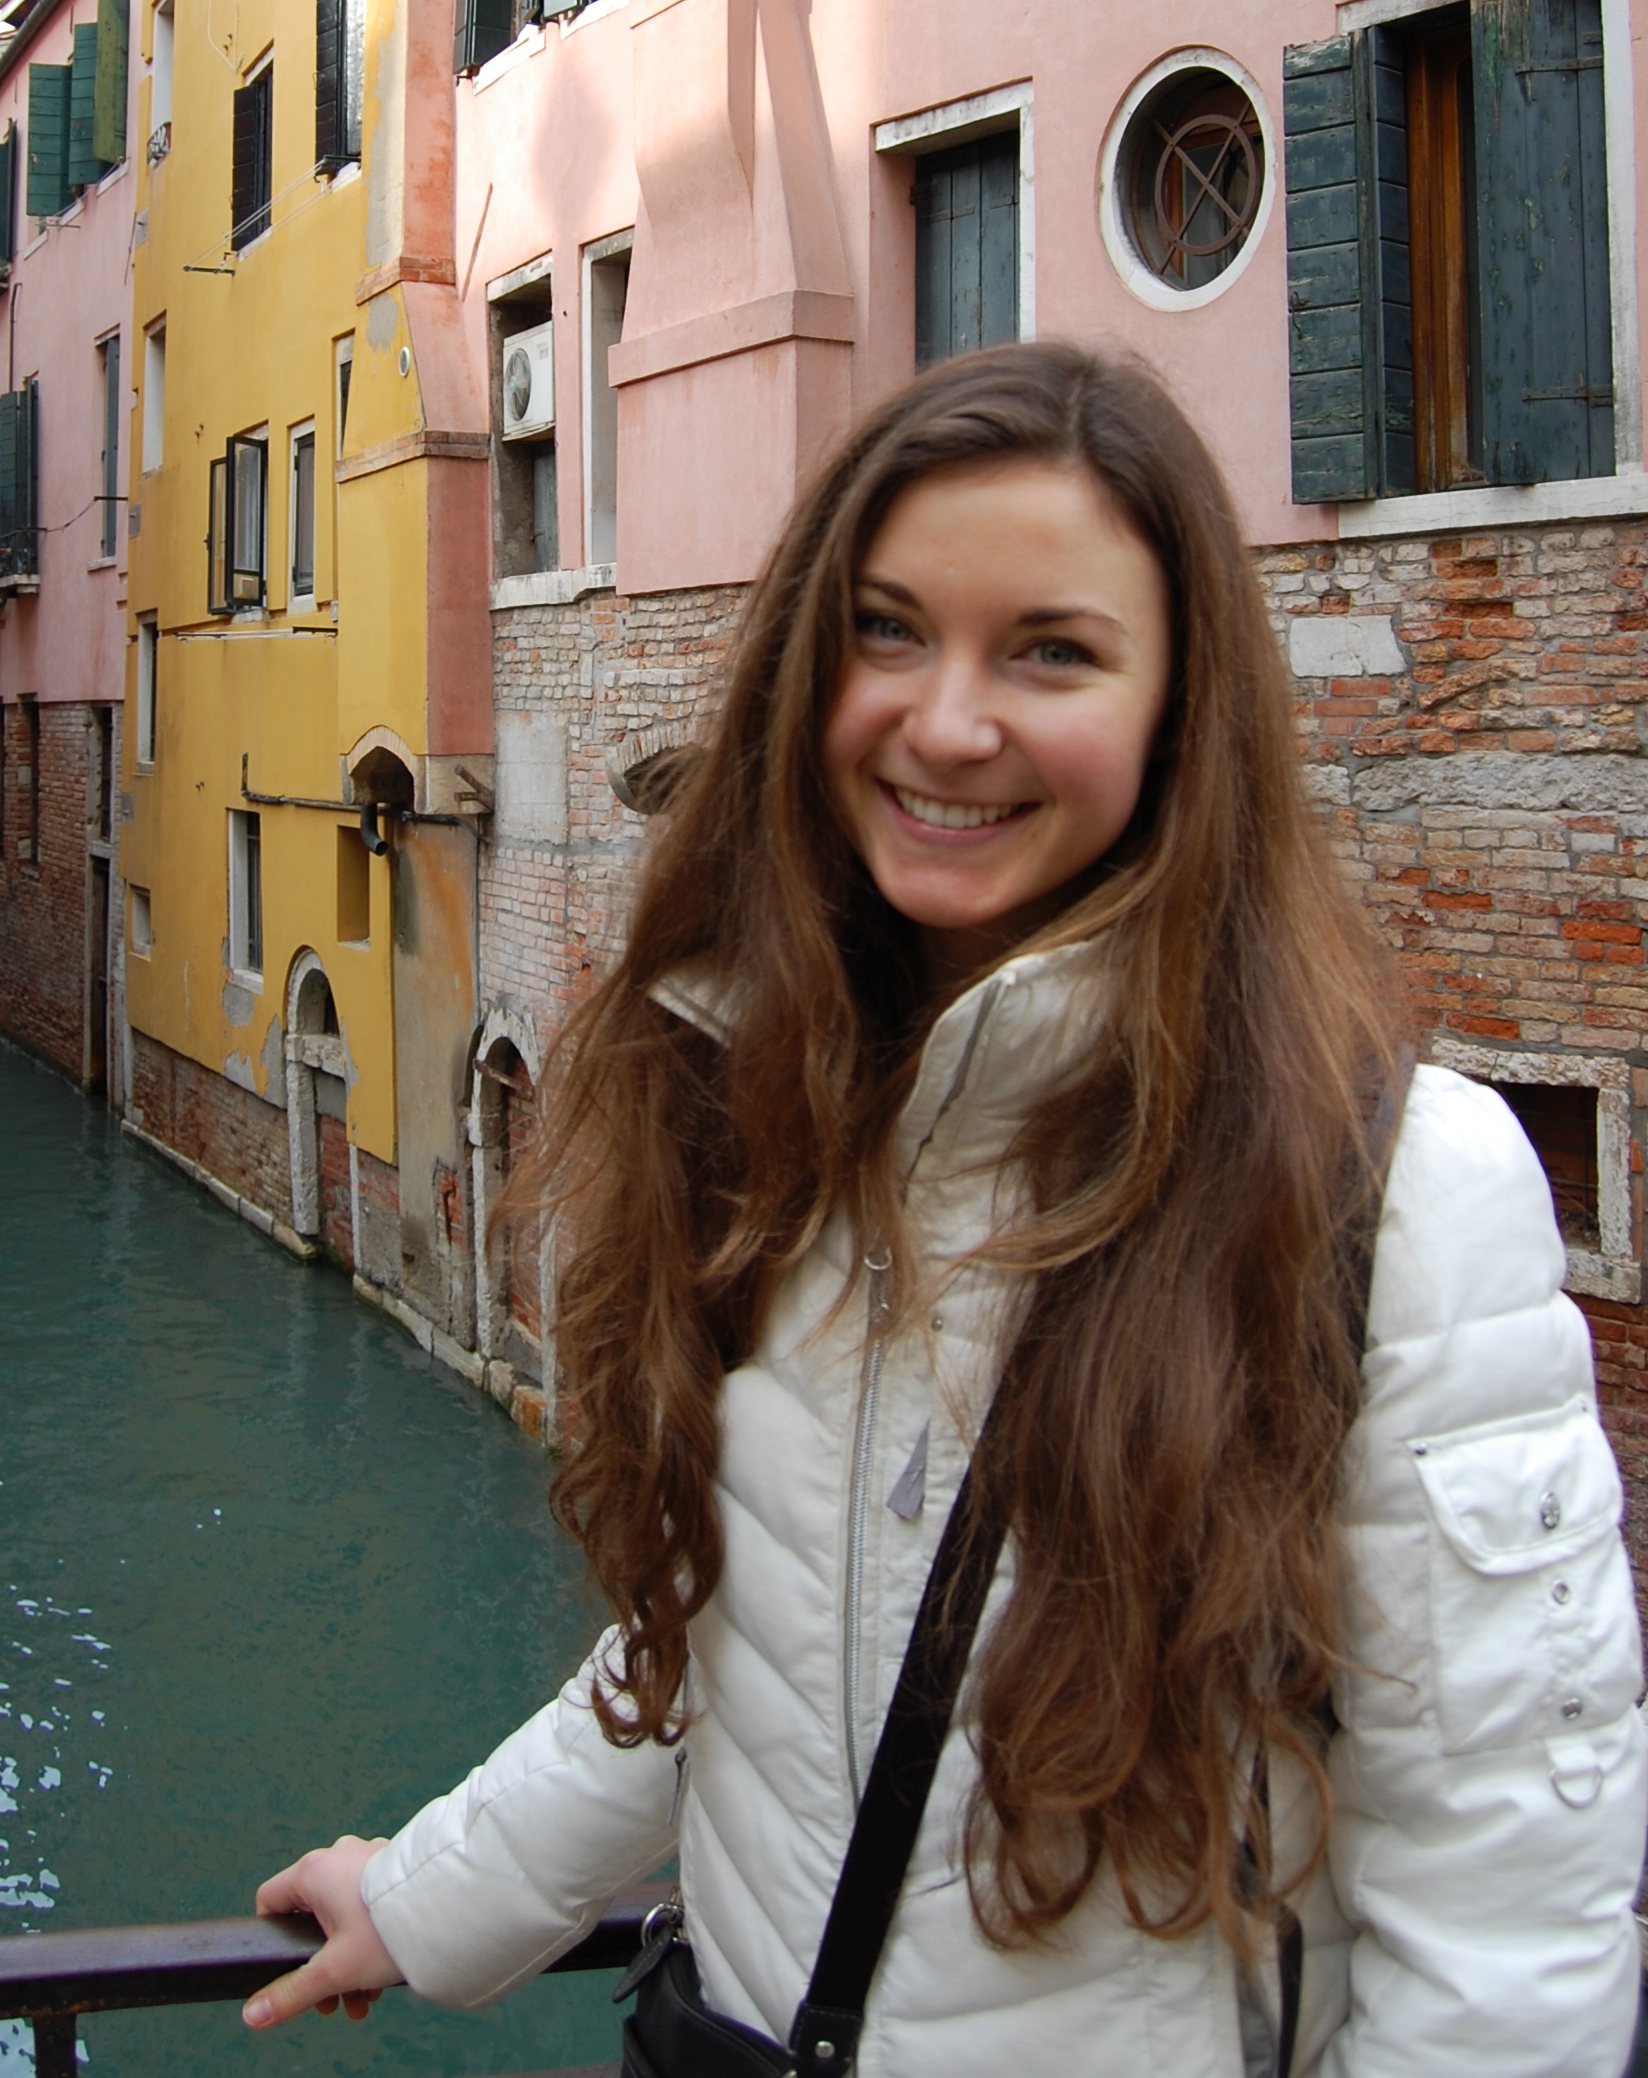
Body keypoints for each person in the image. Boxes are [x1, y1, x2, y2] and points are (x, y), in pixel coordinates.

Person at [243, 345, 1647, 2075]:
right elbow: (725, 1660)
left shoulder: (1399, 1191)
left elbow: (1511, 1921)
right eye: (888, 631)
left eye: (1050, 650)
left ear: (1175, 709)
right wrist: (435, 1899)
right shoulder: (758, 1110)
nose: (947, 720)